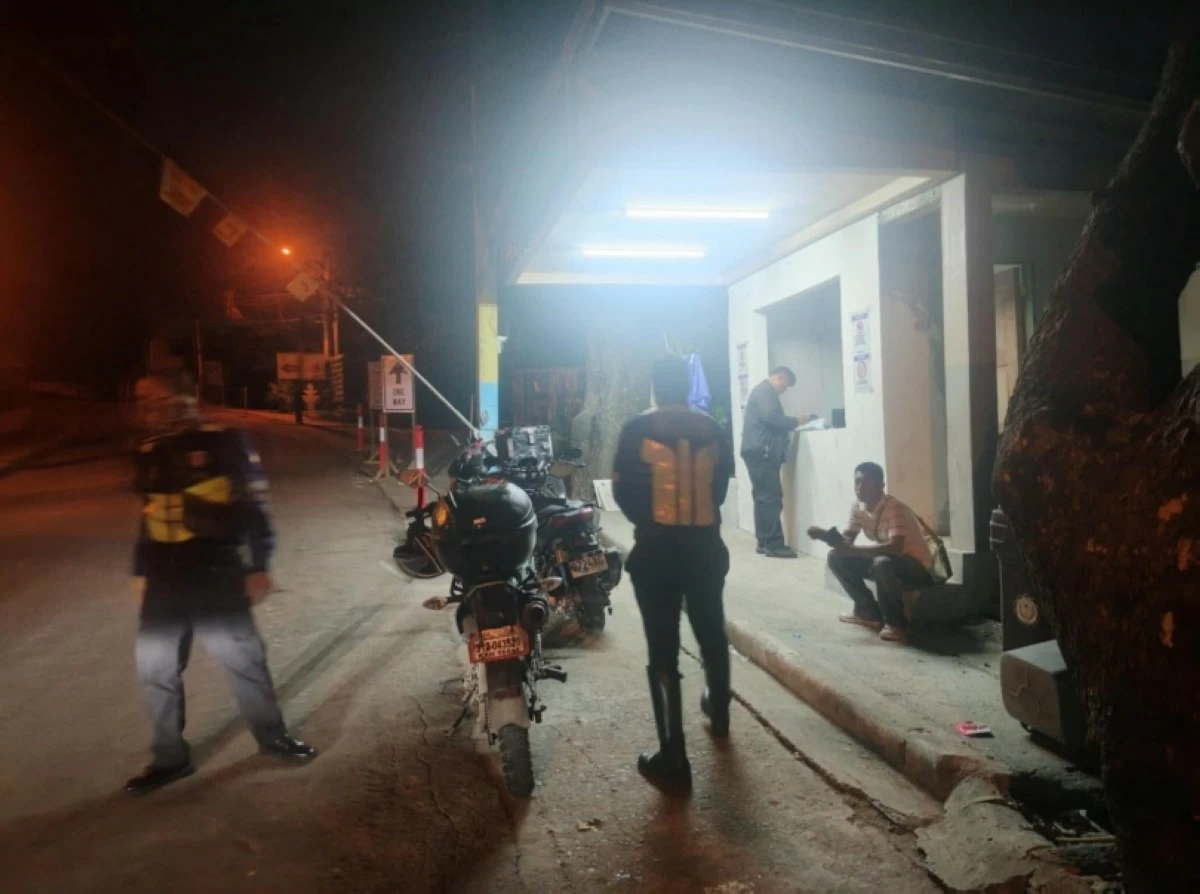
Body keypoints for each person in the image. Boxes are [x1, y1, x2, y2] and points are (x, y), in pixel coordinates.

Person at [125, 372, 316, 796]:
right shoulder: (147, 451)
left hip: (216, 571)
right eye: (143, 401)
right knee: (155, 669)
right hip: (163, 578)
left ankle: (273, 738)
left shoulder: (224, 441)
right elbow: (149, 516)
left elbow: (254, 504)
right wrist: (140, 572)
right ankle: (170, 759)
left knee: (244, 662)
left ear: (185, 397)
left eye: (158, 397)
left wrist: (259, 563)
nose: (151, 408)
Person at [612, 355, 735, 789]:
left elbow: (623, 490)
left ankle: (674, 758)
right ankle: (719, 714)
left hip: (658, 550)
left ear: (654, 386)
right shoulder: (713, 429)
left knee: (662, 651)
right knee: (711, 631)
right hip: (704, 548)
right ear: (686, 386)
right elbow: (720, 486)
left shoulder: (636, 429)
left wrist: (649, 524)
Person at [808, 461, 934, 645]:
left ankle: (896, 625)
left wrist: (852, 550)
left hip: (917, 568)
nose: (860, 487)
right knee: (835, 557)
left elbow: (895, 548)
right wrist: (828, 537)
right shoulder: (858, 508)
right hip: (891, 563)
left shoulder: (894, 507)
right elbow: (847, 542)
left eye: (866, 482)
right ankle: (868, 613)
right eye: (857, 482)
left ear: (880, 486)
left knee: (881, 562)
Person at [740, 367, 813, 558]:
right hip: (763, 451)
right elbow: (773, 419)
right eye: (785, 386)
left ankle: (764, 541)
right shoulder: (766, 392)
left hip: (756, 451)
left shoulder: (761, 391)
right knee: (771, 498)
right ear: (780, 377)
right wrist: (797, 420)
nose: (784, 390)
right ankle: (774, 544)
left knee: (762, 498)